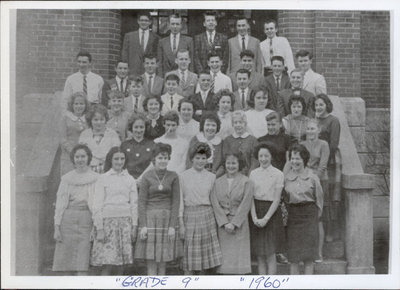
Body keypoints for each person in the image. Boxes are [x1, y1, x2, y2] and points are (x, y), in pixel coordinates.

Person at [135, 143, 181, 275]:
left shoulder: (173, 176)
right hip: (150, 220)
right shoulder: (147, 176)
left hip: (166, 220)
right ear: (154, 159)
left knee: (163, 262)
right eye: (160, 158)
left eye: (165, 157)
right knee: (151, 262)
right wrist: (143, 225)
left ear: (169, 158)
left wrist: (172, 226)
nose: (163, 160)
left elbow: (176, 202)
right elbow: (142, 202)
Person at [91, 147, 138, 275]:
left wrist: (134, 226)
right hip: (107, 224)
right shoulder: (103, 178)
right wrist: (99, 228)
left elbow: (134, 204)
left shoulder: (130, 179)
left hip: (125, 224)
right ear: (110, 160)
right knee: (107, 263)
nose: (119, 161)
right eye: (116, 158)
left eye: (122, 158)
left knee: (121, 265)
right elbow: (97, 204)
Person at [52, 144, 99, 274]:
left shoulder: (96, 178)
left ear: (88, 157)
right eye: (77, 157)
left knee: (82, 262)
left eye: (83, 156)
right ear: (73, 159)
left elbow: (97, 204)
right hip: (67, 220)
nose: (80, 159)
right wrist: (57, 227)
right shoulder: (67, 178)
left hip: (86, 220)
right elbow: (60, 203)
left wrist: (95, 226)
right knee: (66, 263)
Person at [179, 143, 223, 274]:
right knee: (189, 258)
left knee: (204, 260)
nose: (200, 161)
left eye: (203, 158)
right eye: (197, 158)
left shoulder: (211, 177)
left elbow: (215, 200)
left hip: (207, 216)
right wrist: (181, 223)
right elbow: (180, 201)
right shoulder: (183, 176)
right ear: (192, 158)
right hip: (189, 215)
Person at [211, 153, 254, 274]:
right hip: (223, 225)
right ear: (224, 164)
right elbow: (215, 202)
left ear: (239, 164)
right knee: (225, 261)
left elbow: (246, 203)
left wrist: (234, 223)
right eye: (228, 163)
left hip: (239, 224)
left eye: (234, 163)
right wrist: (224, 223)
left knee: (239, 260)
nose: (231, 166)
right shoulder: (217, 182)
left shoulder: (247, 181)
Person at [284, 143, 323, 275]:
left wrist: (313, 218)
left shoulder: (313, 177)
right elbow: (284, 199)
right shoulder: (286, 178)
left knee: (308, 258)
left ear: (304, 160)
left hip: (309, 217)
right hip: (293, 217)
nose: (294, 162)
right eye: (292, 158)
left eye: (298, 159)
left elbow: (319, 200)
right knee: (294, 258)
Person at [249, 143, 285, 275]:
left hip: (271, 214)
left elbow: (277, 199)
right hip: (256, 212)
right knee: (259, 255)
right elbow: (251, 197)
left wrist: (266, 219)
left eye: (266, 156)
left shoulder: (278, 174)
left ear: (271, 156)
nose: (263, 159)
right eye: (260, 156)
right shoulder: (253, 174)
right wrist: (254, 217)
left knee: (270, 254)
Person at [300, 118, 330, 261]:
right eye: (308, 129)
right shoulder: (302, 144)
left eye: (313, 129)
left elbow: (323, 165)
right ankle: (306, 251)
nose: (310, 131)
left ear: (318, 130)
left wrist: (313, 180)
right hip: (304, 181)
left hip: (319, 181)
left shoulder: (323, 144)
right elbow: (299, 163)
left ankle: (319, 252)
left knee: (318, 218)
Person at [314, 94, 341, 241]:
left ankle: (330, 231)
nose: (318, 107)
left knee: (329, 196)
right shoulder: (313, 120)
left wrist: (323, 160)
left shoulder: (333, 121)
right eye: (316, 105)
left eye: (321, 104)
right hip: (314, 160)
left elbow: (333, 144)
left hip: (329, 162)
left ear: (327, 105)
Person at [79, 104, 120, 173]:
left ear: (106, 120)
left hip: (108, 170)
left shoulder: (112, 134)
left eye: (101, 119)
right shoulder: (84, 134)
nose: (99, 122)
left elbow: (116, 153)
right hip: (88, 170)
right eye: (95, 120)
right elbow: (82, 154)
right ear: (90, 120)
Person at [122, 11, 160, 76]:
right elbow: (124, 56)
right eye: (141, 20)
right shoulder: (129, 36)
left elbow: (158, 58)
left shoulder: (156, 38)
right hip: (132, 73)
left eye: (146, 20)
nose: (143, 22)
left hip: (149, 74)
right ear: (138, 21)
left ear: (150, 22)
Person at [187, 112, 224, 177]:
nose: (210, 128)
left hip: (214, 177)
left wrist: (215, 176)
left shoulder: (221, 142)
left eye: (213, 125)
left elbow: (223, 165)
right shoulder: (195, 139)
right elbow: (189, 160)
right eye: (207, 125)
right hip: (196, 175)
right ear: (202, 126)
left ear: (217, 127)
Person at [60, 92, 89, 175]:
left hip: (85, 155)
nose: (79, 106)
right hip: (69, 156)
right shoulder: (66, 118)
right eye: (76, 104)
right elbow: (63, 138)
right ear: (72, 105)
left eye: (81, 104)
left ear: (85, 105)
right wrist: (73, 151)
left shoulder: (88, 118)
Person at [223, 110, 259, 176]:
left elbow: (255, 161)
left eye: (240, 122)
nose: (238, 125)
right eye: (235, 122)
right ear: (232, 124)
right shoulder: (227, 140)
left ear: (245, 124)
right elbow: (225, 159)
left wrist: (250, 175)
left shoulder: (253, 140)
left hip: (249, 175)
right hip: (231, 175)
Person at [121, 114, 155, 182]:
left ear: (145, 128)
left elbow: (153, 165)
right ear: (131, 128)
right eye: (136, 127)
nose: (139, 130)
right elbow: (121, 165)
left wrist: (140, 180)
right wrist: (131, 180)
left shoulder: (152, 145)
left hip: (146, 182)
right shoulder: (124, 145)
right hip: (127, 181)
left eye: (141, 127)